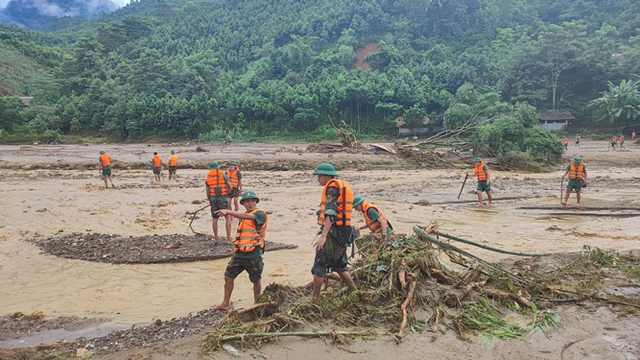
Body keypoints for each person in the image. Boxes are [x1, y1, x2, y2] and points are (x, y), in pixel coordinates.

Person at [211, 190, 268, 311]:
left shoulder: (260, 214)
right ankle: (225, 303)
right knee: (228, 276)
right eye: (247, 201)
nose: (250, 203)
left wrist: (227, 211)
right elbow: (244, 216)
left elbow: (246, 216)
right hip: (239, 254)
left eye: (253, 201)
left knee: (256, 280)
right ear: (243, 203)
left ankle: (256, 303)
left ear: (256, 202)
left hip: (254, 254)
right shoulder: (244, 214)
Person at [310, 163, 357, 305]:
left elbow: (331, 213)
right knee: (340, 264)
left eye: (320, 176)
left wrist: (323, 235)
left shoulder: (331, 189)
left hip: (333, 234)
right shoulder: (340, 186)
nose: (318, 178)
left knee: (319, 266)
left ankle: (315, 298)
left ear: (329, 176)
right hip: (344, 232)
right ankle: (355, 290)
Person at [205, 161, 232, 243]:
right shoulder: (223, 175)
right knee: (227, 217)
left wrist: (210, 201)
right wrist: (226, 194)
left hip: (213, 199)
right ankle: (228, 238)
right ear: (218, 167)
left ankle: (216, 239)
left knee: (215, 218)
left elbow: (208, 193)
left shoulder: (207, 178)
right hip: (223, 198)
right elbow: (230, 186)